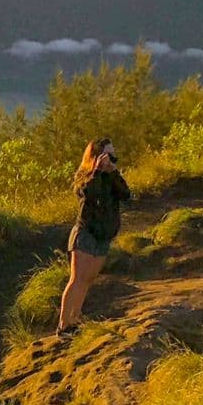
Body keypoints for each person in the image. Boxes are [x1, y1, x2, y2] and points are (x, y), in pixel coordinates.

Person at [58, 137, 131, 337]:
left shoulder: (112, 177)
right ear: (96, 156)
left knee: (87, 280)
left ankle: (74, 320)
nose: (112, 159)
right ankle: (63, 324)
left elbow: (126, 194)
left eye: (113, 156)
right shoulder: (85, 176)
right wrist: (97, 171)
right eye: (108, 155)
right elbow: (88, 194)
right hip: (86, 233)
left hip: (103, 235)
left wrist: (113, 173)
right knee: (76, 279)